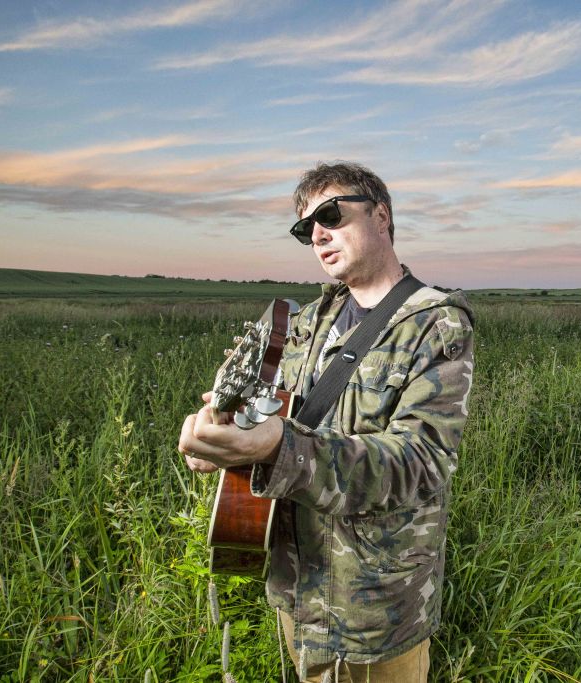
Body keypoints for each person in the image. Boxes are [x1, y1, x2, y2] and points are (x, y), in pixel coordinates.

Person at [178, 161, 475, 682]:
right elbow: (267, 413)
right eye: (304, 227)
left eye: (331, 215)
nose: (316, 234)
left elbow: (421, 464)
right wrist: (219, 440)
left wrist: (277, 448)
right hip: (296, 587)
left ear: (381, 216)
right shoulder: (301, 323)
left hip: (372, 609)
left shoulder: (434, 322)